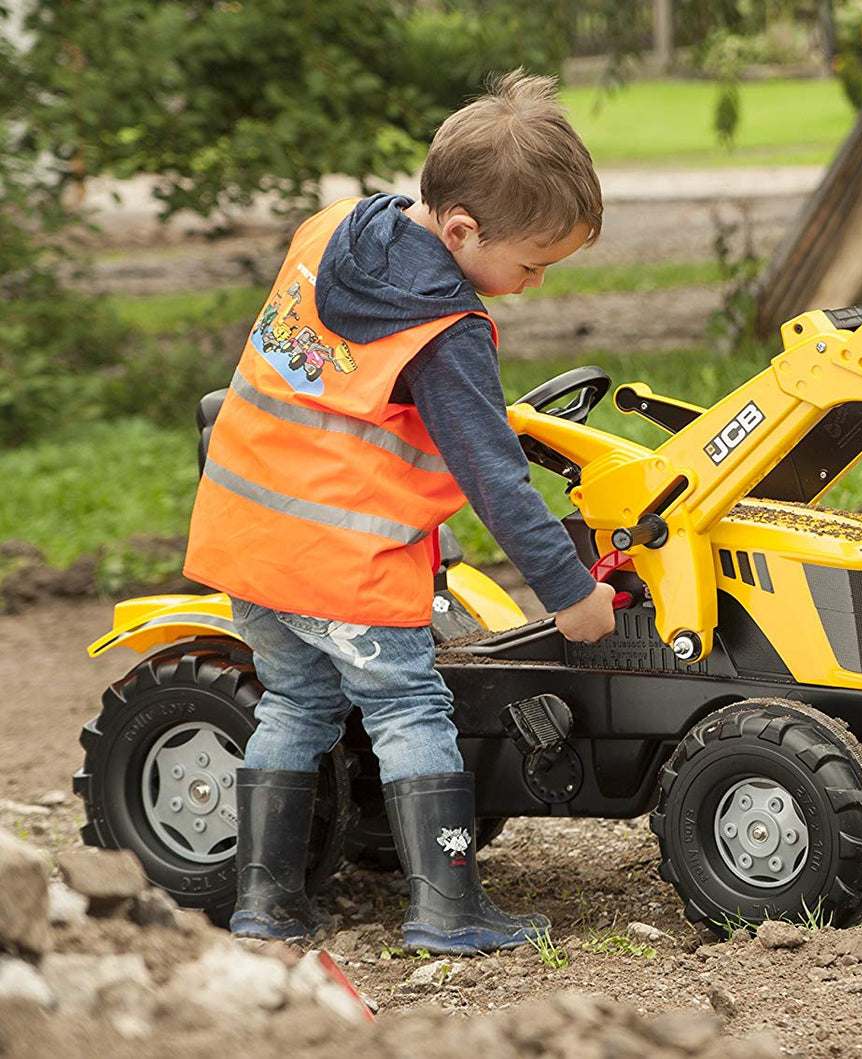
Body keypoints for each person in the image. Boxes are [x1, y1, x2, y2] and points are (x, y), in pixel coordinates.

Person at [182, 70, 617, 956]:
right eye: (531, 263)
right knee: (413, 709)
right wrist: (570, 595)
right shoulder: (445, 330)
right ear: (461, 231)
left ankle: (265, 905)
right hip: (345, 566)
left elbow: (332, 405)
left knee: (295, 705)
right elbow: (497, 477)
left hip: (247, 541)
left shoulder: (332, 228)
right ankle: (447, 910)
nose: (532, 284)